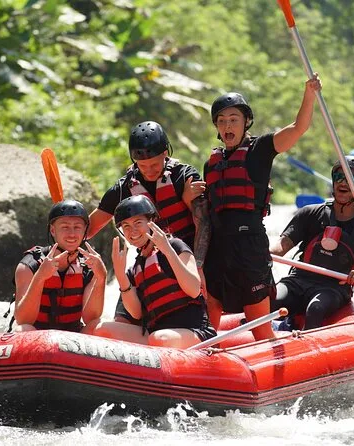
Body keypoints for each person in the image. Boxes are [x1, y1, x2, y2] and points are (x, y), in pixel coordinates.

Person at [202, 73, 322, 341]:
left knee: (259, 326)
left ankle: (276, 346)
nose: (227, 125)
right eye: (222, 121)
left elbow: (298, 128)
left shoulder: (260, 149)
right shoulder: (211, 164)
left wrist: (309, 94)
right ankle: (207, 355)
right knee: (210, 316)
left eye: (234, 119)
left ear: (246, 122)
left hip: (249, 246)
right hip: (218, 248)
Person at [87, 121, 209, 325]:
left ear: (165, 154)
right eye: (142, 166)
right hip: (149, 262)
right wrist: (67, 222)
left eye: (154, 164)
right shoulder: (124, 187)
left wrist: (199, 266)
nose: (149, 171)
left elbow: (204, 224)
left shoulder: (183, 176)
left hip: (187, 256)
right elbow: (90, 227)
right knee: (122, 319)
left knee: (207, 298)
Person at [270, 156, 354, 330]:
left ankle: (307, 341)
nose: (342, 182)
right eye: (339, 177)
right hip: (298, 280)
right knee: (270, 300)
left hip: (334, 288)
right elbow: (281, 246)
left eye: (351, 178)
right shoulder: (310, 213)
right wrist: (263, 253)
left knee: (315, 308)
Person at [92, 196, 216, 348]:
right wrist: (120, 275)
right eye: (126, 226)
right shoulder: (135, 269)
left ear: (152, 221)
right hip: (155, 333)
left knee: (159, 338)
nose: (132, 230)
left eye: (138, 223)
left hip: (193, 330)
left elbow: (194, 289)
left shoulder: (175, 246)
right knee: (99, 330)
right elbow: (136, 313)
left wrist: (168, 252)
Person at [14, 200, 106, 333]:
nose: (72, 234)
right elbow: (23, 320)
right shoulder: (29, 265)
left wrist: (101, 278)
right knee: (23, 329)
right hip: (37, 335)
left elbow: (90, 318)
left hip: (72, 337)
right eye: (65, 227)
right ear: (53, 230)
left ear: (85, 230)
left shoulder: (89, 266)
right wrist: (40, 278)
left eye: (77, 227)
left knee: (96, 325)